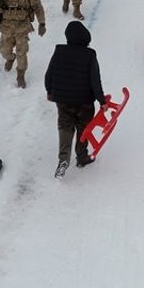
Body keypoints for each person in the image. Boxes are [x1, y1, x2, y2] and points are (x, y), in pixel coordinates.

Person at [45, 20, 106, 175]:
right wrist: (101, 100)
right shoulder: (89, 54)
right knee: (83, 127)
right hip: (84, 100)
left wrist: (50, 91)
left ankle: (63, 159)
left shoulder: (59, 51)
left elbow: (49, 75)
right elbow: (95, 79)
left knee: (65, 126)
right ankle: (81, 157)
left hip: (63, 99)